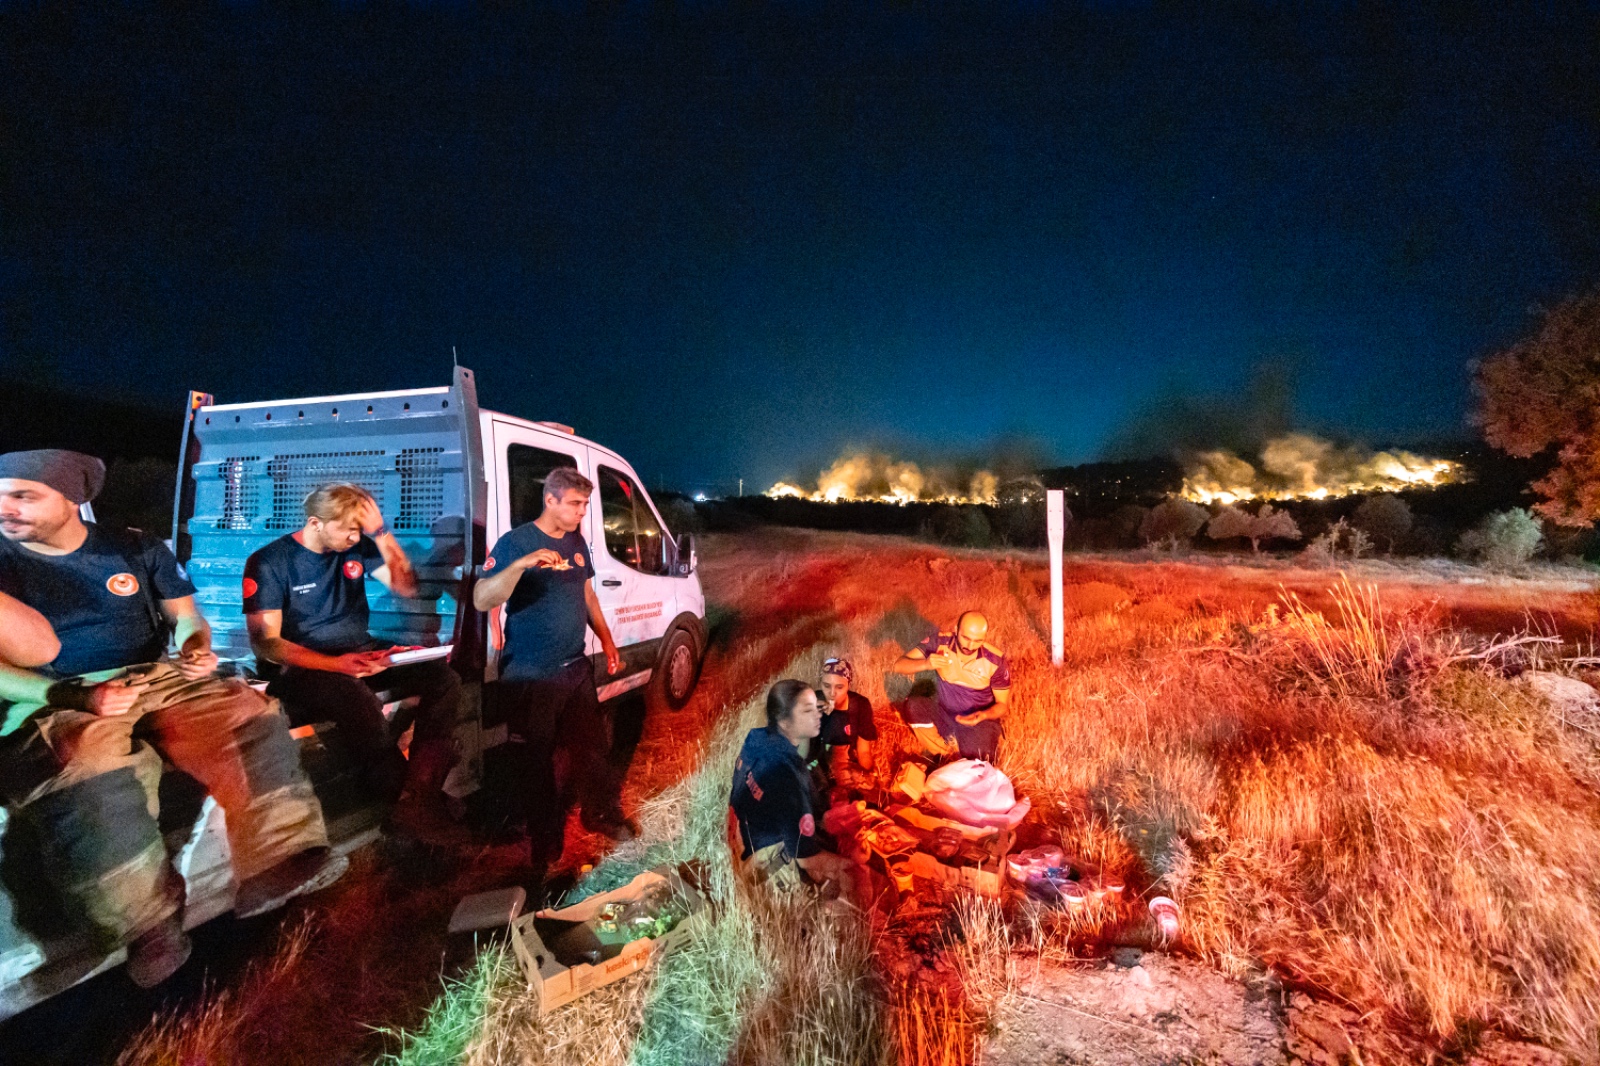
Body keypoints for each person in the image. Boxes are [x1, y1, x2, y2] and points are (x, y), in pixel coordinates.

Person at [0, 450, 343, 988]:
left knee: (245, 712)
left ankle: (279, 857)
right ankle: (148, 923)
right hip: (52, 691)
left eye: (23, 495)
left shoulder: (134, 548)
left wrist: (195, 647)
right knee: (83, 762)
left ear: (70, 499)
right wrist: (67, 694)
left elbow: (185, 617)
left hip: (154, 676)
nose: (6, 508)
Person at [244, 483, 462, 842]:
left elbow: (406, 587)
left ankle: (418, 797)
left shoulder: (358, 547)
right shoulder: (270, 561)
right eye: (348, 529)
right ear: (315, 523)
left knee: (442, 678)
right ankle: (416, 807)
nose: (354, 537)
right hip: (304, 667)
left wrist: (381, 533)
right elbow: (266, 643)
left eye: (359, 529)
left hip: (358, 650)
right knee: (358, 701)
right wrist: (338, 665)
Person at [471, 466, 633, 886]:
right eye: (576, 504)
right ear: (551, 500)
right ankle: (545, 843)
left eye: (585, 504)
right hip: (531, 674)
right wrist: (523, 565)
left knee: (592, 748)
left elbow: (587, 594)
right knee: (536, 762)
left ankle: (599, 813)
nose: (583, 512)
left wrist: (608, 641)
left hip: (574, 667)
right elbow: (482, 597)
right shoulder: (517, 542)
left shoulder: (576, 541)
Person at [729, 679, 857, 898]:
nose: (817, 715)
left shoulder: (757, 737)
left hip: (740, 840)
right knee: (848, 886)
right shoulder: (788, 777)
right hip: (758, 868)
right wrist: (852, 865)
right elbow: (808, 858)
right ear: (785, 722)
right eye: (807, 711)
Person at [891, 610, 1011, 762]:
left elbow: (1002, 705)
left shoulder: (996, 661)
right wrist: (925, 664)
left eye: (978, 641)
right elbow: (898, 666)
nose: (970, 646)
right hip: (945, 714)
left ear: (985, 637)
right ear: (956, 630)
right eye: (965, 638)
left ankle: (964, 751)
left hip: (978, 720)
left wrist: (983, 715)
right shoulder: (940, 643)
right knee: (914, 706)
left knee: (979, 761)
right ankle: (943, 753)